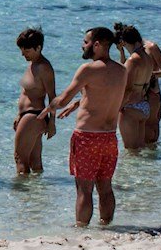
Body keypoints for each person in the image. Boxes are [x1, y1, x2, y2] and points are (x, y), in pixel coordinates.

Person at [52, 27, 129, 225]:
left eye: (85, 42)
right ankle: (105, 225)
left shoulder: (87, 69)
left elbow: (62, 99)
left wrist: (47, 110)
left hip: (87, 137)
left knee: (84, 189)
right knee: (105, 187)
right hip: (110, 137)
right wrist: (78, 103)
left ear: (97, 45)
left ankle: (81, 228)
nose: (82, 45)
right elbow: (103, 94)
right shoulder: (122, 70)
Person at [113, 23, 161, 151]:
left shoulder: (134, 59)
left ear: (124, 41)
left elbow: (127, 88)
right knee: (140, 148)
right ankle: (147, 169)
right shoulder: (146, 57)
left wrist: (115, 109)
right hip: (143, 105)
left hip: (131, 105)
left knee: (131, 151)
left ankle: (134, 171)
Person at [12, 28, 57, 177]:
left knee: (20, 158)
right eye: (21, 50)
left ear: (38, 48)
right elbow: (26, 93)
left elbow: (52, 96)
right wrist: (19, 115)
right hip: (29, 116)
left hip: (34, 115)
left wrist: (52, 123)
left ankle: (22, 196)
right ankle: (38, 197)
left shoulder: (44, 67)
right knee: (35, 162)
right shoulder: (32, 64)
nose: (23, 54)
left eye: (26, 50)